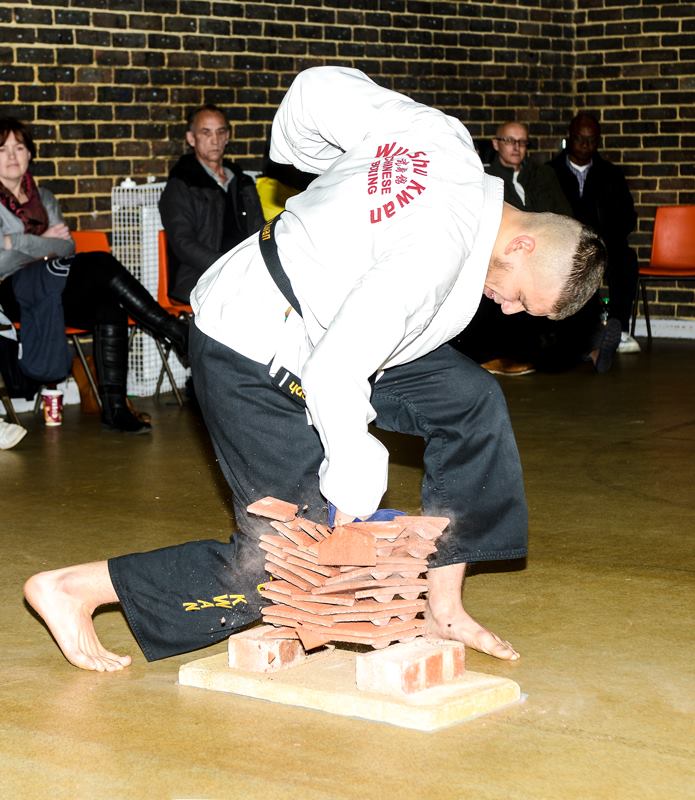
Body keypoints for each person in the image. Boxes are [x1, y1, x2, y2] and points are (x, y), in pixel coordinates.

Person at [24, 67, 606, 672]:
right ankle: (76, 588)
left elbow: (316, 90)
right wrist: (353, 493)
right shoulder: (435, 254)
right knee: (292, 561)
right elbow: (334, 372)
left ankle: (443, 606)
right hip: (251, 342)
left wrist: (327, 173)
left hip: (335, 325)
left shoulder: (443, 138)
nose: (508, 310)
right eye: (521, 297)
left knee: (470, 399)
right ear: (522, 245)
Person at [0, 117, 189, 434]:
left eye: (18, 147)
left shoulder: (44, 197)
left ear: (29, 154)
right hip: (12, 293)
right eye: (2, 149)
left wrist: (14, 241)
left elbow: (67, 246)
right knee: (100, 261)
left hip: (53, 283)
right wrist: (42, 242)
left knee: (108, 305)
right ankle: (174, 330)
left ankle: (115, 410)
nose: (11, 156)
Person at [453, 120, 620, 375]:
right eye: (510, 141)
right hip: (506, 254)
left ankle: (590, 345)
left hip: (539, 248)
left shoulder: (543, 175)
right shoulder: (486, 178)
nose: (516, 147)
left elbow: (562, 216)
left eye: (522, 142)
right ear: (496, 144)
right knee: (516, 290)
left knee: (568, 275)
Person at [549, 112, 640, 354]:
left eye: (591, 140)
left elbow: (628, 216)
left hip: (605, 243)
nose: (585, 145)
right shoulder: (550, 172)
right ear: (570, 137)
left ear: (598, 141)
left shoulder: (611, 174)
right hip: (564, 244)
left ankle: (618, 330)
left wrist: (607, 238)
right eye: (580, 138)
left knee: (625, 261)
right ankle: (573, 334)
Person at [158, 104, 265, 303]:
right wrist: (226, 265)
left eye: (220, 132)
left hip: (246, 273)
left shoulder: (243, 182)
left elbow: (259, 230)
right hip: (199, 277)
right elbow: (183, 243)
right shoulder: (182, 184)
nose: (215, 140)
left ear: (227, 136)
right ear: (192, 138)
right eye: (206, 133)